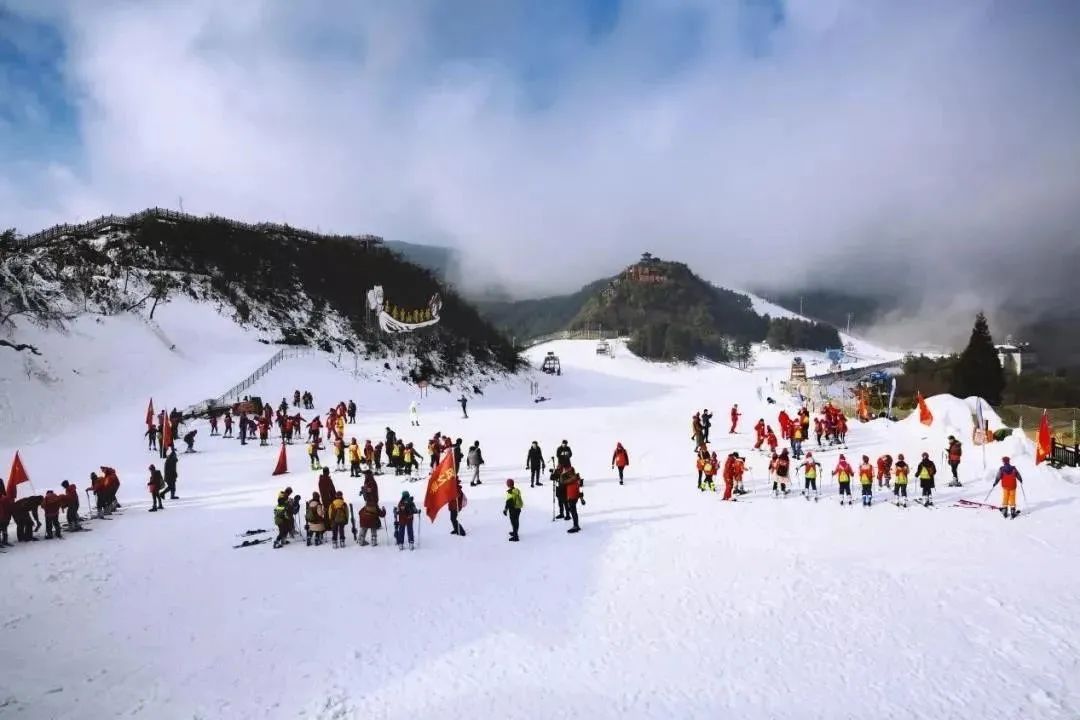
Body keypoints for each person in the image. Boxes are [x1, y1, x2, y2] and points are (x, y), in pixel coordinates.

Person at [562, 468, 584, 533]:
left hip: (573, 497)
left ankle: (576, 526)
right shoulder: (574, 478)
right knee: (572, 510)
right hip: (572, 496)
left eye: (569, 472)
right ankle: (576, 525)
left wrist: (563, 474)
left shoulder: (572, 479)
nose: (568, 473)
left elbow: (563, 482)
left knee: (573, 511)